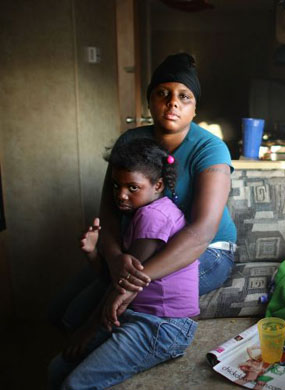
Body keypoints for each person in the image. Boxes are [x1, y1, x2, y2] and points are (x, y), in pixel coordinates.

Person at [48, 52, 237, 332]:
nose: (173, 102)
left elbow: (202, 231)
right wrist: (113, 259)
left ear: (195, 108)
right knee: (59, 310)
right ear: (149, 100)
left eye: (184, 97)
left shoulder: (210, 149)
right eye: (163, 93)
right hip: (139, 245)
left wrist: (134, 280)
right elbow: (109, 212)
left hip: (206, 252)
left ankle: (86, 358)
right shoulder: (131, 141)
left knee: (85, 312)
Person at [48, 138, 199, 389]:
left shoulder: (154, 216)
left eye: (132, 187)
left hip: (162, 326)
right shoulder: (137, 214)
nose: (120, 195)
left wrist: (89, 328)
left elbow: (123, 284)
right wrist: (93, 253)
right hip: (135, 314)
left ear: (158, 185)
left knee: (74, 384)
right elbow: (113, 278)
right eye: (117, 185)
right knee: (57, 369)